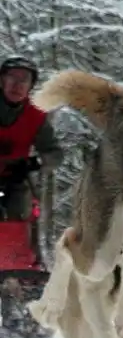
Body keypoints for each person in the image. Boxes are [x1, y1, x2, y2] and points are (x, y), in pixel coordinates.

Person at [0, 55, 63, 220]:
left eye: (24, 80)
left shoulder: (36, 116)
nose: (17, 84)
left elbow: (55, 153)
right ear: (2, 81)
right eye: (12, 77)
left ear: (30, 86)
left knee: (22, 211)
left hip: (15, 179)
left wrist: (34, 163)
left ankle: (16, 244)